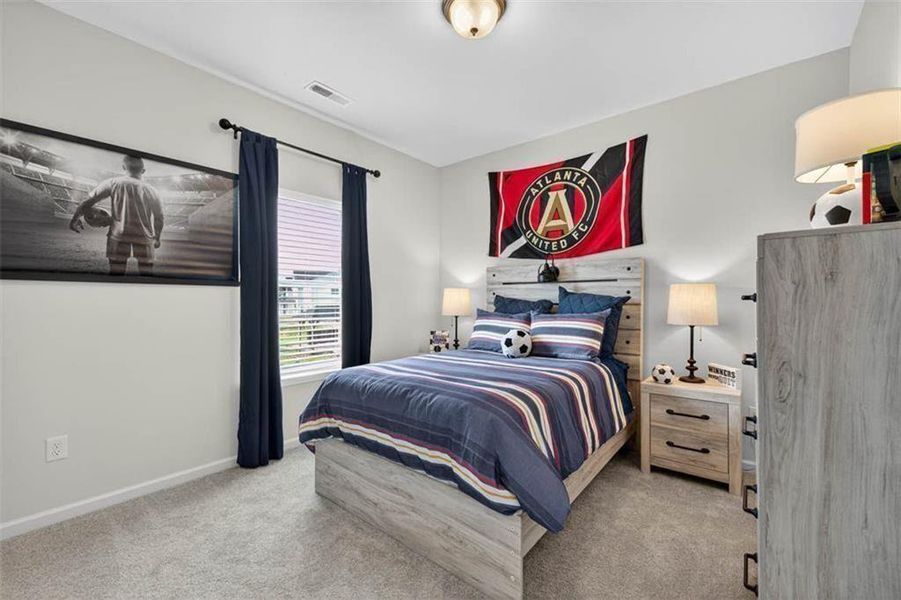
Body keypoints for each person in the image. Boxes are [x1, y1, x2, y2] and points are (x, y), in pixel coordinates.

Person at [69, 155, 164, 275]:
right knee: (147, 275)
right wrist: (157, 238)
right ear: (143, 171)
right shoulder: (153, 190)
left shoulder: (112, 182)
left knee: (116, 274)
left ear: (123, 167)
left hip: (118, 236)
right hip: (144, 238)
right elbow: (159, 218)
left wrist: (74, 219)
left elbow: (86, 203)